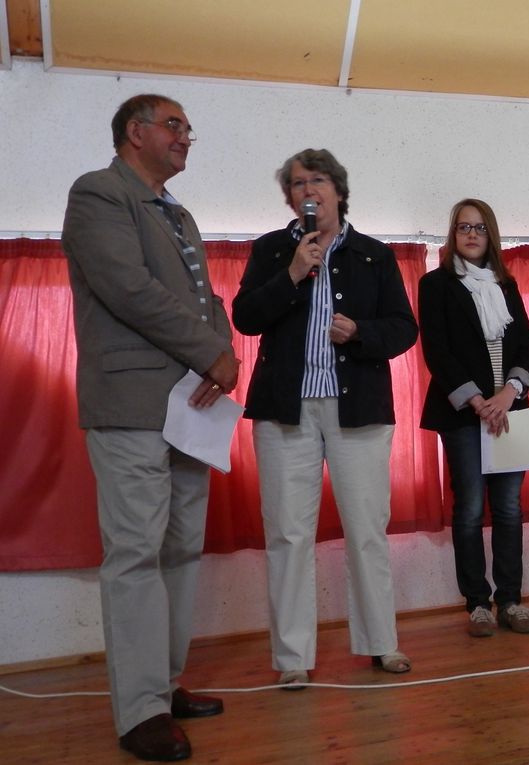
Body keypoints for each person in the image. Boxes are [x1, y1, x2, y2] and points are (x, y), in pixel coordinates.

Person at [62, 94, 239, 762]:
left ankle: (162, 686)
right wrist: (209, 351)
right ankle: (138, 711)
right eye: (175, 125)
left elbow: (205, 298)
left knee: (180, 547)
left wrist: (223, 354)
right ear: (134, 132)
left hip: (190, 403)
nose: (187, 136)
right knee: (136, 551)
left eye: (189, 127)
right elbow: (129, 288)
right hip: (133, 401)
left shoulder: (179, 212)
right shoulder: (99, 194)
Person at [232, 149, 418, 687]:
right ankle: (292, 660)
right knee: (288, 534)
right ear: (289, 197)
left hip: (356, 408)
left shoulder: (373, 256)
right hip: (284, 410)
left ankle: (381, 644)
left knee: (367, 531)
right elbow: (244, 318)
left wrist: (360, 333)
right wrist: (291, 273)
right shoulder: (271, 250)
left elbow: (404, 329)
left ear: (338, 190)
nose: (307, 190)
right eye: (296, 183)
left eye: (317, 181)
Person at [418, 199, 529, 637]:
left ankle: (511, 599)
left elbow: (527, 346)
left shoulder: (505, 285)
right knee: (469, 508)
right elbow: (438, 351)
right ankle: (477, 603)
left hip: (509, 410)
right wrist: (478, 402)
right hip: (464, 415)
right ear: (452, 234)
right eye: (463, 227)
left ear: (492, 236)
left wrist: (508, 393)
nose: (471, 234)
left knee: (508, 508)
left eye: (480, 228)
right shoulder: (435, 284)